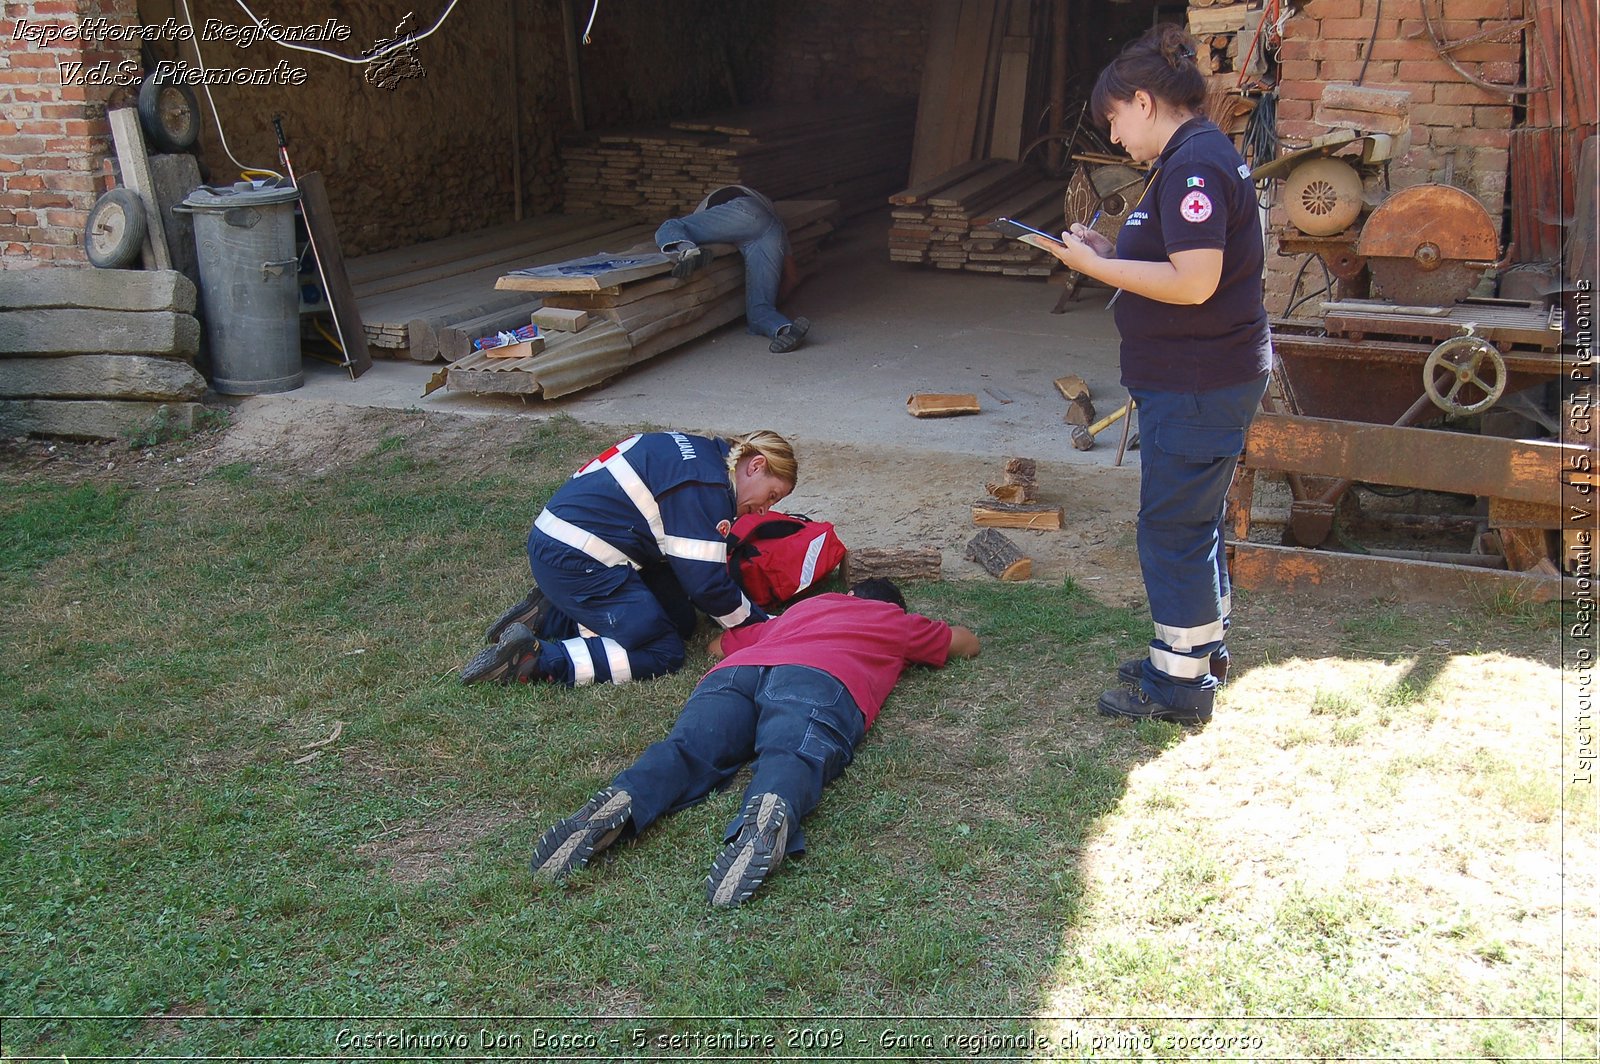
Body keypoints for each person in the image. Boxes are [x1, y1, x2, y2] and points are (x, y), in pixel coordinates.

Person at [1031, 24, 1271, 726]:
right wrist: (1112, 248)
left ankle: (1180, 685)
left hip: (1198, 381)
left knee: (1172, 529)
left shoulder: (1193, 165)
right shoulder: (1193, 158)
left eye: (1113, 119)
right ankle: (1197, 655)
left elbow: (1194, 282)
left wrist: (1096, 267)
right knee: (1192, 523)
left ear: (1142, 101)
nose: (1113, 137)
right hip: (1200, 377)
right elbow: (1175, 257)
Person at [526, 579, 980, 907]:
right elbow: (966, 643)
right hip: (820, 677)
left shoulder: (803, 609)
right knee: (792, 752)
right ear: (893, 607)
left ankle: (627, 795)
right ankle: (769, 808)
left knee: (686, 751)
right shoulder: (895, 622)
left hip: (737, 673)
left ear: (850, 594)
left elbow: (719, 647)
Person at [461, 429, 797, 688]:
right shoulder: (707, 488)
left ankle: (554, 614)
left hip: (563, 543)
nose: (765, 509)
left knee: (680, 618)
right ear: (755, 466)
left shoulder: (700, 455)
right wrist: (757, 627)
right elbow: (705, 583)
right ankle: (535, 658)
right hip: (577, 559)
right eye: (771, 496)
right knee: (662, 651)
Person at [655, 184, 812, 354]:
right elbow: (792, 276)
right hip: (770, 230)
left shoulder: (706, 208)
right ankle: (785, 330)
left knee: (671, 226)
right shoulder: (772, 213)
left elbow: (707, 228)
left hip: (744, 211)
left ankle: (687, 250)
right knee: (760, 310)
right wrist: (775, 297)